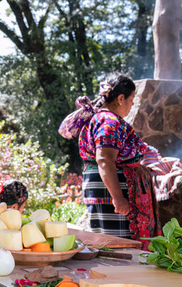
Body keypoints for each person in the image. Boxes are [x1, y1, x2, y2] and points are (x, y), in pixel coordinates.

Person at [58, 74, 161, 249]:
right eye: (131, 99)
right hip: (112, 192)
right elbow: (104, 159)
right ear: (120, 98)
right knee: (119, 246)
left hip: (103, 189)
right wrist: (118, 199)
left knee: (108, 245)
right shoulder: (109, 121)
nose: (132, 104)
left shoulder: (98, 119)